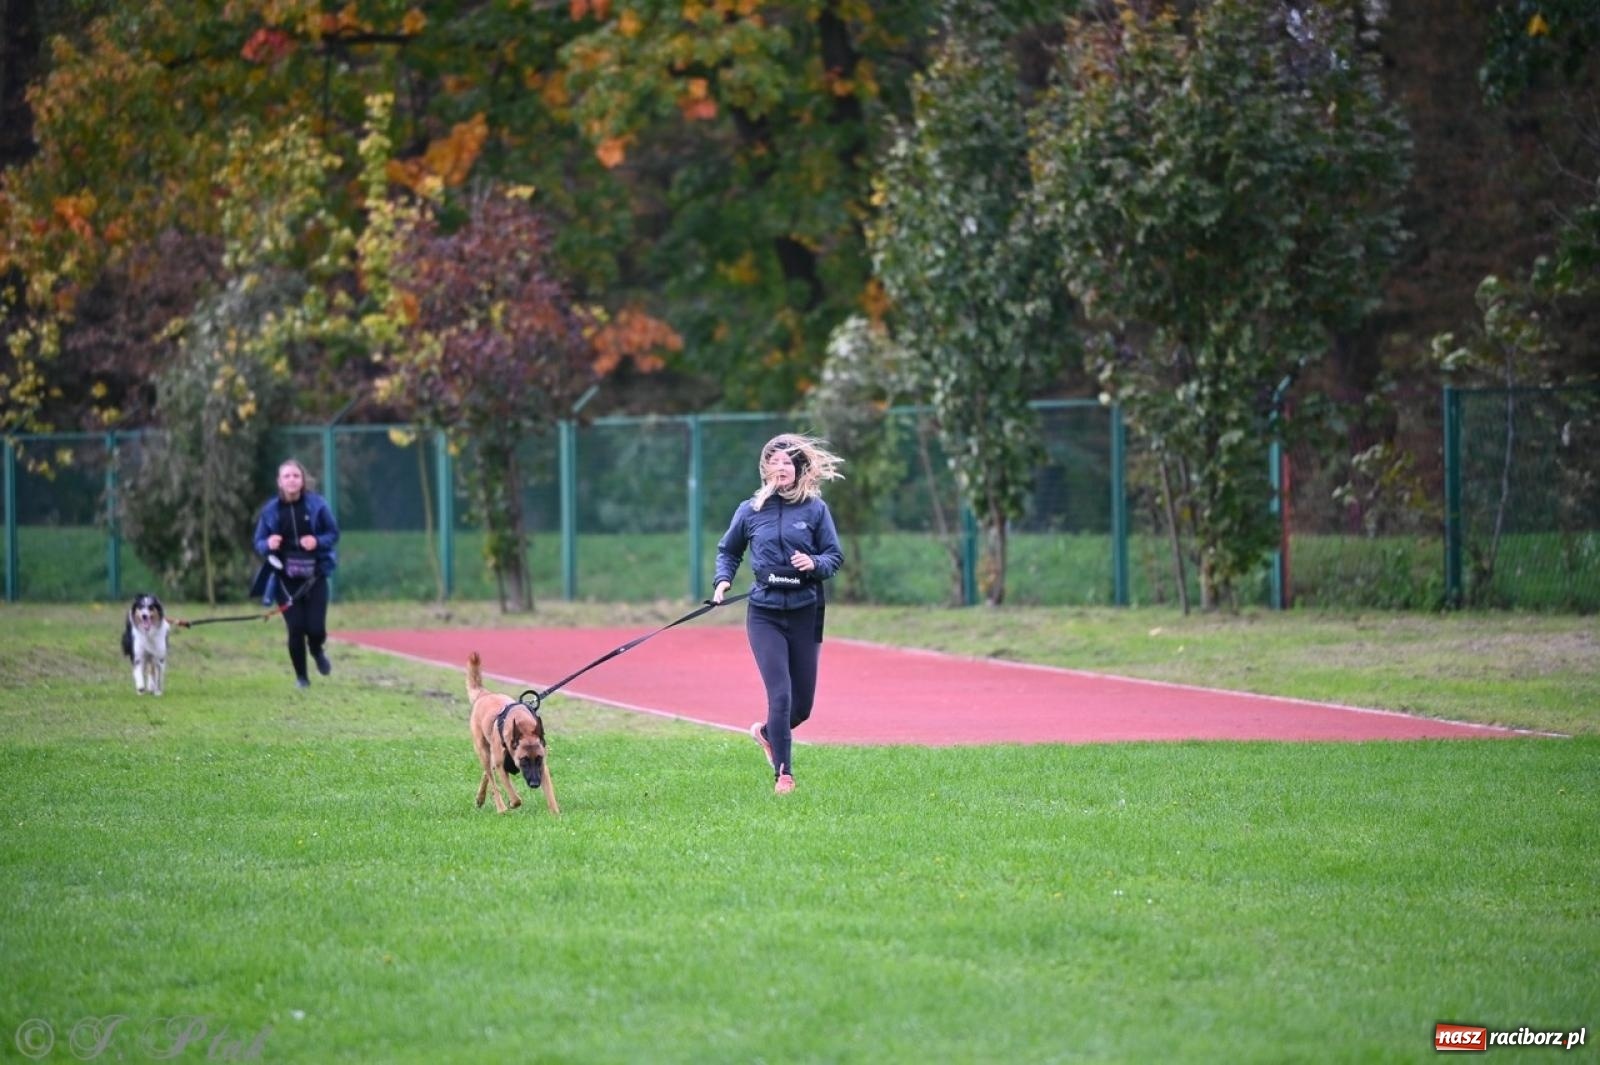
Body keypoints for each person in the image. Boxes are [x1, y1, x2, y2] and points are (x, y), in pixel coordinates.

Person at [712, 433, 844, 794]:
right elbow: (729, 551)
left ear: (799, 469)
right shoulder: (750, 510)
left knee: (801, 707)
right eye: (774, 461)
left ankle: (768, 734)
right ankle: (784, 775)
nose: (781, 467)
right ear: (765, 469)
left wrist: (813, 562)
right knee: (781, 697)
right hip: (764, 614)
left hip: (805, 613)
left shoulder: (816, 510)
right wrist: (722, 581)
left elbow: (834, 558)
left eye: (788, 462)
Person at [250, 458, 340, 689]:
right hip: (284, 579)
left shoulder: (317, 505)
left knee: (316, 628)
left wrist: (317, 541)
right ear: (279, 482)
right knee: (296, 628)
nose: (291, 480)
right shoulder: (270, 510)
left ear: (302, 481)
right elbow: (258, 542)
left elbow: (333, 533)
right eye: (287, 476)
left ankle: (317, 649)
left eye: (296, 476)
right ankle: (302, 678)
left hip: (315, 576)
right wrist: (268, 543)